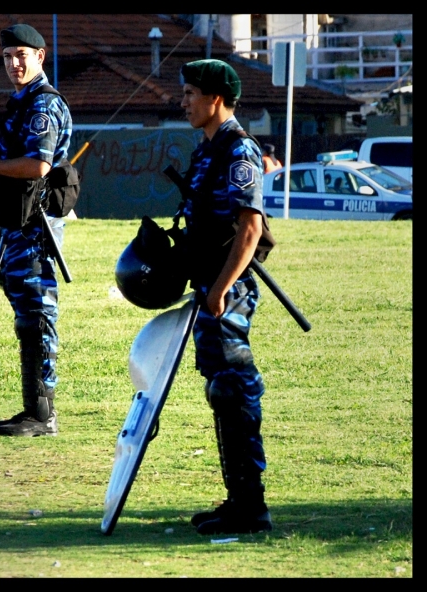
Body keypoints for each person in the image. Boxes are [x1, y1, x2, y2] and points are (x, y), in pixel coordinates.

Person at [0, 23, 72, 437]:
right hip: (16, 226)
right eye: (7, 56)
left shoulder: (43, 105)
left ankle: (43, 415)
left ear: (40, 57)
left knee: (38, 316)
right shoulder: (21, 102)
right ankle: (33, 409)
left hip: (35, 229)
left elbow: (38, 166)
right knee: (26, 317)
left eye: (21, 55)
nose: (13, 63)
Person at [178, 59, 273, 535]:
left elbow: (250, 227)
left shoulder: (238, 151)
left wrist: (219, 290)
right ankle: (237, 498)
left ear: (216, 99)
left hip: (228, 291)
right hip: (210, 288)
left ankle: (251, 507)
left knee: (233, 389)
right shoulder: (206, 149)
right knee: (220, 391)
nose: (184, 101)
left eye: (192, 93)